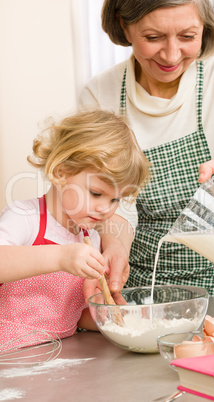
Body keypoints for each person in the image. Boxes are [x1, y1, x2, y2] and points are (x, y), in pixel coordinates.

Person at [79, 0, 214, 297]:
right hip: (140, 288)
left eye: (187, 37)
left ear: (204, 30)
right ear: (125, 27)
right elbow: (116, 201)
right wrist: (114, 247)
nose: (170, 54)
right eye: (153, 38)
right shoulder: (101, 93)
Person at [0, 108, 150, 346]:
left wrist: (107, 315)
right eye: (96, 193)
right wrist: (60, 257)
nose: (106, 209)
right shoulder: (25, 217)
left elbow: (70, 316)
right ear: (61, 172)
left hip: (54, 359)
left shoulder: (91, 237)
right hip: (8, 358)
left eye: (115, 200)